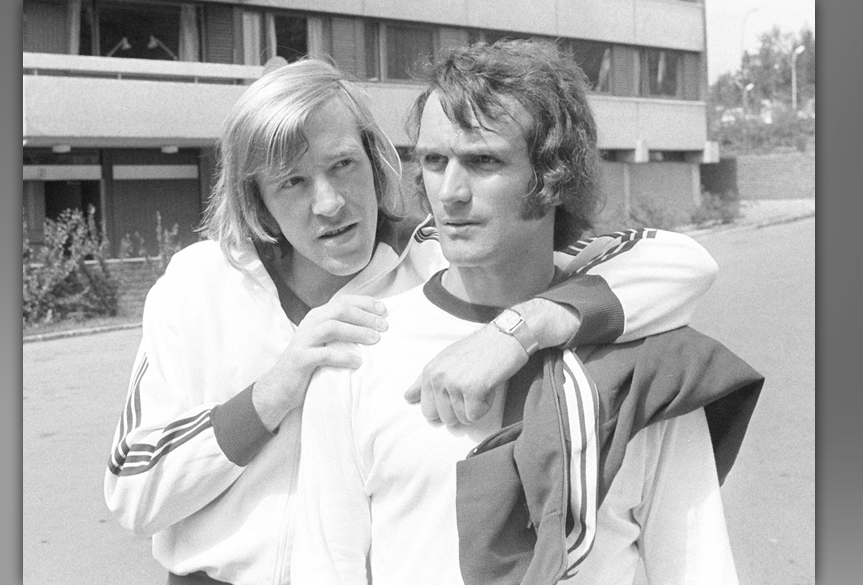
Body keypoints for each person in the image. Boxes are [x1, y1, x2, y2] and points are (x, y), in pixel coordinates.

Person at [104, 57, 721, 585]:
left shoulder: (435, 251)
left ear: (377, 161)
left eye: (343, 165)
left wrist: (520, 327)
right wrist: (273, 392)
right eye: (291, 182)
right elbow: (132, 492)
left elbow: (678, 265)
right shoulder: (199, 286)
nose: (329, 204)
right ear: (256, 199)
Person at [291, 40, 762, 585]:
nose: (450, 193)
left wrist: (518, 329)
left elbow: (697, 568)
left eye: (483, 161)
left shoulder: (649, 367)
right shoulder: (360, 355)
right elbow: (325, 569)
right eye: (435, 161)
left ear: (553, 175)